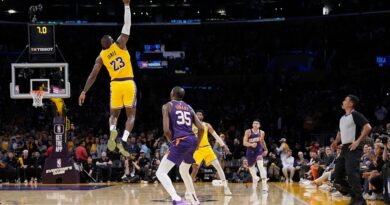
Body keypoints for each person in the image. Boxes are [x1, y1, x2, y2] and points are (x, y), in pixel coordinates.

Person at [78, 0, 135, 157]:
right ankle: (123, 139)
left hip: (115, 85)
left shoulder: (101, 56)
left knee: (113, 116)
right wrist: (127, 5)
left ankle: (112, 131)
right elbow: (127, 25)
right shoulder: (120, 44)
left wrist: (84, 91)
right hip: (128, 82)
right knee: (131, 115)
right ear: (112, 41)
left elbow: (93, 75)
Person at [156, 86, 204, 205]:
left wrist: (173, 142)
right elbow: (201, 128)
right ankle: (194, 200)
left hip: (181, 141)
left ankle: (177, 199)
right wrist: (197, 143)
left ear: (172, 94)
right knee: (183, 170)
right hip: (192, 140)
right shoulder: (189, 107)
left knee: (160, 173)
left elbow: (166, 130)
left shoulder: (167, 106)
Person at [331, 95, 372, 205]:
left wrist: (358, 141)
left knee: (351, 173)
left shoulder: (355, 114)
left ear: (351, 103)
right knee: (337, 176)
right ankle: (357, 197)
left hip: (353, 147)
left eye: (345, 100)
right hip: (344, 148)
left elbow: (368, 127)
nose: (343, 101)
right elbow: (340, 132)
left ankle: (358, 199)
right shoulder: (342, 118)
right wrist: (336, 142)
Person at [190, 110, 232, 195]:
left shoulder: (206, 125)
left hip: (207, 148)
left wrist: (224, 146)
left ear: (202, 117)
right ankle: (189, 189)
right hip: (197, 150)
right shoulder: (190, 125)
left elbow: (216, 135)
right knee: (194, 170)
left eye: (200, 114)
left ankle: (226, 188)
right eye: (197, 114)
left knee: (218, 167)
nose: (198, 115)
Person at [243, 119, 269, 192]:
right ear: (252, 125)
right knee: (251, 169)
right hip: (250, 151)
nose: (255, 124)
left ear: (259, 125)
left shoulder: (262, 132)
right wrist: (251, 144)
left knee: (261, 166)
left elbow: (262, 141)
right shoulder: (248, 132)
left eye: (257, 123)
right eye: (254, 123)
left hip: (258, 150)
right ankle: (255, 178)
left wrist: (266, 149)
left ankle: (264, 185)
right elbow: (244, 143)